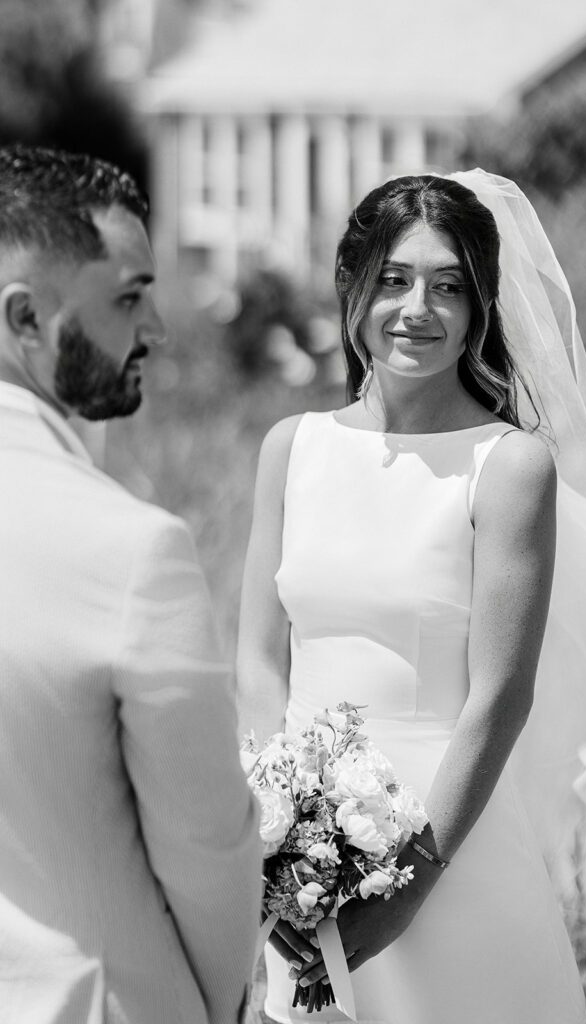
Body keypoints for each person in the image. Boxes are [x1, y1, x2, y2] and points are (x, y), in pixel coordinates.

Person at [238, 172, 586, 1024]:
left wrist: (413, 881)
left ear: (479, 309)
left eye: (448, 287)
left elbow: (500, 697)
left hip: (452, 854)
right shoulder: (291, 447)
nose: (416, 309)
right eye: (394, 279)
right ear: (353, 285)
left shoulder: (509, 465)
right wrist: (277, 843)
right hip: (303, 874)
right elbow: (255, 660)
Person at [0, 144, 261, 1024]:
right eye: (126, 297)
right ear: (26, 319)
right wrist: (220, 1005)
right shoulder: (132, 552)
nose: (156, 329)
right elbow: (208, 844)